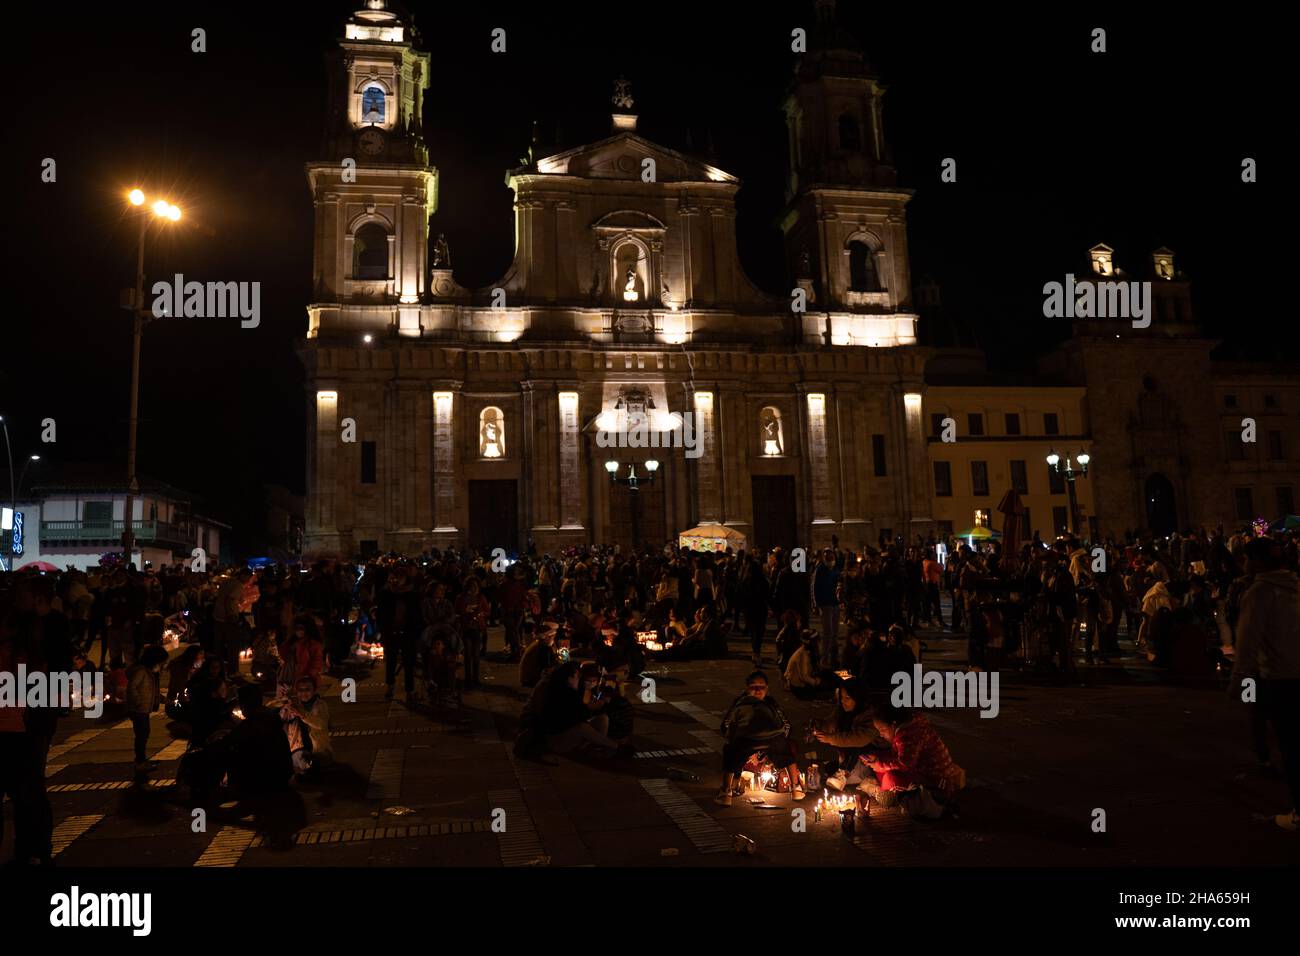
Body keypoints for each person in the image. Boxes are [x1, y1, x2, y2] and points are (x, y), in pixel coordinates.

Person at [1230, 536, 1300, 832]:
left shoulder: (1258, 592)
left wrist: (1238, 680)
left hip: (1280, 677)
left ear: (1257, 562)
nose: (1244, 563)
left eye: (1246, 557)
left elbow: (1247, 641)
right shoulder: (1296, 585)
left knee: (1292, 746)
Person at [858, 701, 965, 818]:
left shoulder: (909, 735)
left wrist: (880, 764)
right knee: (880, 766)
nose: (881, 735)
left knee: (890, 777)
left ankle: (898, 796)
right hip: (922, 773)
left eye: (882, 730)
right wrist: (878, 758)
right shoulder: (908, 729)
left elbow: (905, 763)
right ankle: (889, 791)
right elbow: (900, 756)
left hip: (935, 784)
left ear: (893, 725)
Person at [714, 670, 804, 805]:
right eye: (753, 687)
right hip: (750, 739)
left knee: (786, 749)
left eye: (761, 687)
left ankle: (726, 792)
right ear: (746, 688)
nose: (757, 690)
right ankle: (727, 791)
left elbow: (785, 724)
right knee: (732, 752)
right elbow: (727, 723)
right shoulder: (741, 702)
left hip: (763, 740)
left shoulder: (769, 703)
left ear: (767, 689)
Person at [812, 679, 882, 790]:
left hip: (871, 754)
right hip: (851, 755)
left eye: (847, 697)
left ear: (858, 698)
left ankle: (844, 773)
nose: (843, 701)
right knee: (830, 769)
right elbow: (832, 722)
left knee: (853, 743)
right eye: (841, 697)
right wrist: (818, 727)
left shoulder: (871, 714)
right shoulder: (843, 708)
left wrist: (831, 738)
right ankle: (842, 770)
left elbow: (859, 739)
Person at [538, 662, 618, 757]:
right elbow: (572, 720)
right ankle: (614, 746)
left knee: (603, 719)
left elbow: (580, 716)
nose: (579, 680)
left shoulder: (578, 691)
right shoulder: (560, 694)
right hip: (557, 740)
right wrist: (588, 708)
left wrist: (602, 705)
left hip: (571, 733)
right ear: (569, 679)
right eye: (577, 677)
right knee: (582, 727)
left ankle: (597, 748)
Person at [276, 676, 333, 777]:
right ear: (296, 692)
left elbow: (321, 724)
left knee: (311, 767)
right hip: (299, 747)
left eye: (307, 690)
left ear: (314, 690)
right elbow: (280, 719)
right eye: (300, 690)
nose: (304, 693)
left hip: (318, 749)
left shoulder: (320, 705)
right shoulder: (294, 705)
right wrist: (284, 704)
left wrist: (303, 715)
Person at [126, 645, 169, 773]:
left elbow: (152, 691)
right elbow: (131, 687)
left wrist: (162, 699)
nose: (163, 666)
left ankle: (141, 760)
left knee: (144, 734)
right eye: (162, 663)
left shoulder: (150, 674)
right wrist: (137, 702)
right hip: (138, 710)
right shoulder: (142, 672)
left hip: (143, 710)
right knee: (142, 735)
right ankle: (140, 761)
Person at [456, 576, 489, 688]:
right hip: (466, 629)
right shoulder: (461, 598)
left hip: (477, 628)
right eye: (472, 586)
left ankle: (475, 678)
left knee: (476, 655)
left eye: (476, 586)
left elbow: (487, 610)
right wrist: (465, 612)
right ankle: (468, 678)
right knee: (468, 655)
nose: (474, 588)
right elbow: (457, 611)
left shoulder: (481, 597)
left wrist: (482, 614)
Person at [784, 630, 835, 699]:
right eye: (816, 641)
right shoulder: (802, 655)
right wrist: (816, 682)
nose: (818, 643)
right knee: (827, 690)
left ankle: (847, 679)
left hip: (805, 681)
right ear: (810, 642)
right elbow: (804, 677)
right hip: (799, 687)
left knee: (830, 673)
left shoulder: (809, 652)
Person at [812, 549, 842, 667]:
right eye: (827, 557)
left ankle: (834, 657)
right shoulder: (820, 570)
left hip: (835, 604)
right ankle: (824, 658)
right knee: (827, 633)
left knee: (835, 633)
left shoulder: (835, 569)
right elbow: (814, 588)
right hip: (825, 605)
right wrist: (816, 605)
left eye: (831, 557)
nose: (829, 559)